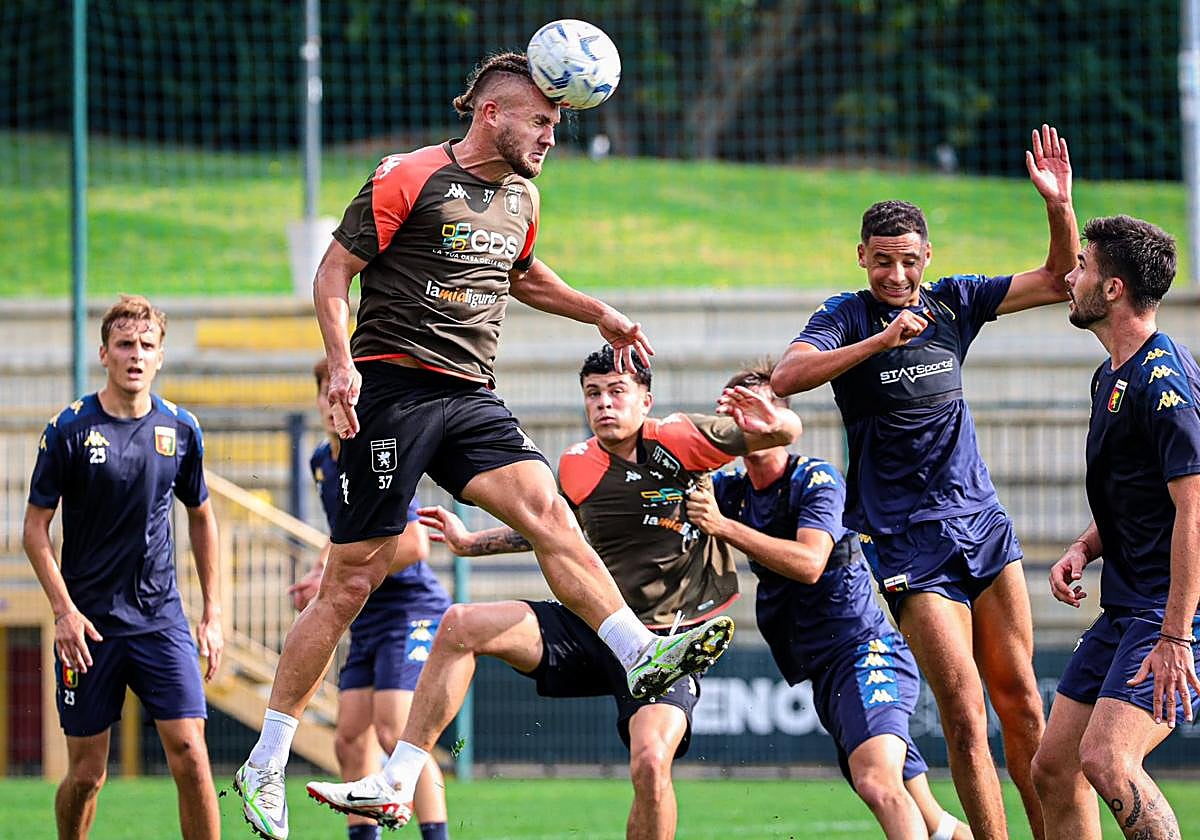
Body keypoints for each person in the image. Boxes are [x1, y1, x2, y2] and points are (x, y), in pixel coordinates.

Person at [236, 53, 734, 839]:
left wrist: (596, 311)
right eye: (542, 121)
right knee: (349, 583)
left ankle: (639, 652)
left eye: (559, 124)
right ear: (492, 115)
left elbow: (524, 275)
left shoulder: (523, 198)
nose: (553, 137)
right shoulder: (408, 175)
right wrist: (339, 363)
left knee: (547, 512)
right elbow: (334, 274)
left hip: (469, 395)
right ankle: (266, 759)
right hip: (393, 390)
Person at [304, 345, 801, 838]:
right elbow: (549, 530)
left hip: (667, 642)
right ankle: (397, 780)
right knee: (461, 624)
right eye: (593, 393)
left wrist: (774, 422)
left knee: (650, 763)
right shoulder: (577, 464)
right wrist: (471, 543)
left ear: (645, 401)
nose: (604, 403)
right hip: (595, 630)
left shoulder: (681, 438)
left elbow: (780, 435)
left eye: (617, 391)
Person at [769, 124, 1078, 840]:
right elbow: (784, 377)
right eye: (882, 263)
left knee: (1024, 702)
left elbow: (1057, 277)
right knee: (966, 713)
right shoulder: (843, 316)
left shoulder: (954, 302)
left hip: (982, 523)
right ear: (862, 258)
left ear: (928, 257)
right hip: (907, 541)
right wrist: (879, 339)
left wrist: (1058, 207)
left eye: (909, 262)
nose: (897, 277)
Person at [684, 361, 970, 840]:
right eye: (734, 411)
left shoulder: (816, 479)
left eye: (756, 409)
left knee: (878, 783)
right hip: (825, 668)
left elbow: (810, 562)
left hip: (865, 652)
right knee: (931, 821)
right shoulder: (730, 491)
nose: (745, 422)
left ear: (782, 420)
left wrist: (724, 527)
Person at [22, 294, 223, 840]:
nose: (136, 355)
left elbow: (203, 517)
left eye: (147, 346)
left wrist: (213, 613)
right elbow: (34, 529)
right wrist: (63, 612)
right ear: (105, 354)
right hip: (87, 628)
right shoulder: (67, 430)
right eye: (126, 345)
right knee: (87, 775)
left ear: (161, 357)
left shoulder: (181, 430)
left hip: (161, 620)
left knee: (191, 754)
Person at [1028, 215, 1200, 840]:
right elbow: (1139, 497)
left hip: (1169, 612)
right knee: (1053, 768)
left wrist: (1178, 636)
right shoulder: (1111, 376)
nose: (1069, 277)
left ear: (1112, 289)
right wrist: (1085, 544)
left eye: (1082, 267)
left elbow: (1195, 509)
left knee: (1107, 759)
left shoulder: (1165, 382)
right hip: (1127, 606)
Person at [288, 359, 451, 840]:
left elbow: (417, 544)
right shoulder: (322, 459)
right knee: (348, 736)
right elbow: (344, 536)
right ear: (320, 400)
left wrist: (330, 581)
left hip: (412, 609)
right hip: (366, 611)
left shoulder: (380, 452)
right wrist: (321, 571)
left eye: (344, 395)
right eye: (327, 393)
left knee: (396, 732)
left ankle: (436, 835)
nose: (335, 403)